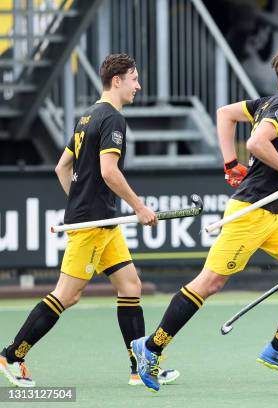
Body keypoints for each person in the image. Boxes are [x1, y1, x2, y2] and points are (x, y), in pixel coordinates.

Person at [131, 41, 278, 392]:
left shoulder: (269, 102)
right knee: (209, 283)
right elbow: (255, 143)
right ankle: (152, 347)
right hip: (250, 213)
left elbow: (224, 113)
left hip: (273, 214)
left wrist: (228, 164)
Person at [0, 53, 178, 388]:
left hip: (102, 222)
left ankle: (138, 367)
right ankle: (12, 355)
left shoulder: (87, 116)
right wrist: (139, 207)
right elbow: (109, 172)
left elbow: (62, 168)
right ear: (117, 81)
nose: (138, 86)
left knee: (130, 287)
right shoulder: (112, 119)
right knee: (67, 294)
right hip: (94, 224)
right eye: (134, 79)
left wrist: (80, 202)